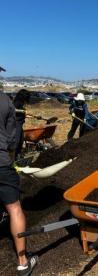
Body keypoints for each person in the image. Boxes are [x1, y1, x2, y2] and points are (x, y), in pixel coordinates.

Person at [0, 92, 38, 276]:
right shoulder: (5, 101)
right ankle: (23, 262)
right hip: (1, 163)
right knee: (14, 209)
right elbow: (12, 141)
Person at [13, 89, 31, 160]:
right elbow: (12, 109)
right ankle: (11, 160)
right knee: (16, 143)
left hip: (20, 125)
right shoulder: (17, 101)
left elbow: (20, 113)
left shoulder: (21, 102)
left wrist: (27, 115)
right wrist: (23, 111)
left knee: (20, 142)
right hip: (15, 124)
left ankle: (16, 158)